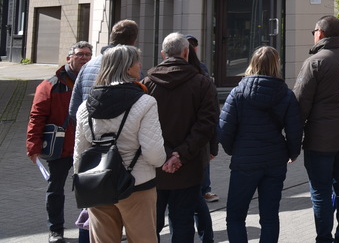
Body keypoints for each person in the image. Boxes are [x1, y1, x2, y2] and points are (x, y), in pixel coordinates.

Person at [74, 45, 165, 243]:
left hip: (97, 186)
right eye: (136, 61)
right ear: (126, 67)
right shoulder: (145, 102)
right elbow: (154, 155)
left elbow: (79, 156)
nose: (140, 65)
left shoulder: (84, 107)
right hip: (137, 185)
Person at [219, 46, 302, 243]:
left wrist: (233, 150)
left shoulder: (238, 93)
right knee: (270, 216)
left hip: (244, 162)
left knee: (236, 216)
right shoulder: (286, 94)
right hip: (274, 161)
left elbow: (223, 129)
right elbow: (295, 129)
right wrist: (293, 152)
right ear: (276, 66)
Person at [143, 32, 219, 243]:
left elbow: (141, 126)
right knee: (183, 222)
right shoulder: (202, 83)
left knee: (151, 224)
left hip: (155, 166)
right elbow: (206, 125)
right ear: (187, 52)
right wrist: (180, 155)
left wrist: (167, 154)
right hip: (189, 166)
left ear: (163, 54)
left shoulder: (147, 83)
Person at [294, 16, 339, 243]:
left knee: (320, 192)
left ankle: (323, 238)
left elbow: (300, 103)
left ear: (319, 33)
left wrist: (293, 140)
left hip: (319, 141)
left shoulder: (315, 62)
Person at [27, 41, 93, 243]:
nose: (84, 58)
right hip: (61, 147)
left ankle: (92, 228)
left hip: (87, 146)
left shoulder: (95, 81)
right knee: (55, 189)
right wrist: (33, 145)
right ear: (69, 58)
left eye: (88, 55)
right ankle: (55, 230)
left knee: (92, 188)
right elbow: (36, 116)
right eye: (80, 54)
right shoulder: (50, 85)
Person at [69, 20, 139, 121]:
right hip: (119, 132)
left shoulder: (88, 66)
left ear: (112, 38)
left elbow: (73, 109)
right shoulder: (131, 67)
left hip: (88, 128)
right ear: (134, 41)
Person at [185, 36, 218, 243]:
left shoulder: (153, 79)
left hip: (172, 151)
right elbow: (212, 117)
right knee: (194, 199)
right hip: (195, 146)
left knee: (183, 201)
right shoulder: (202, 79)